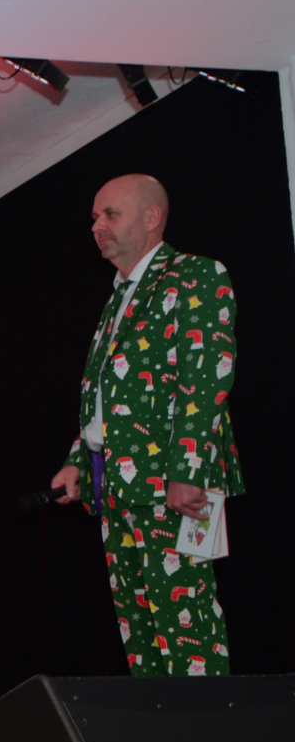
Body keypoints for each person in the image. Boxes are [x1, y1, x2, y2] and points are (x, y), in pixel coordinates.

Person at [48, 174, 242, 676]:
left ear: (151, 218)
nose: (97, 225)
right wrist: (78, 460)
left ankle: (205, 725)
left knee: (186, 622)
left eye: (110, 214)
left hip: (176, 484)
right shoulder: (119, 297)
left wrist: (188, 472)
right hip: (116, 485)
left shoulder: (195, 275)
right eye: (95, 216)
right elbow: (107, 395)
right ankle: (157, 724)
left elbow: (207, 379)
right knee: (139, 628)